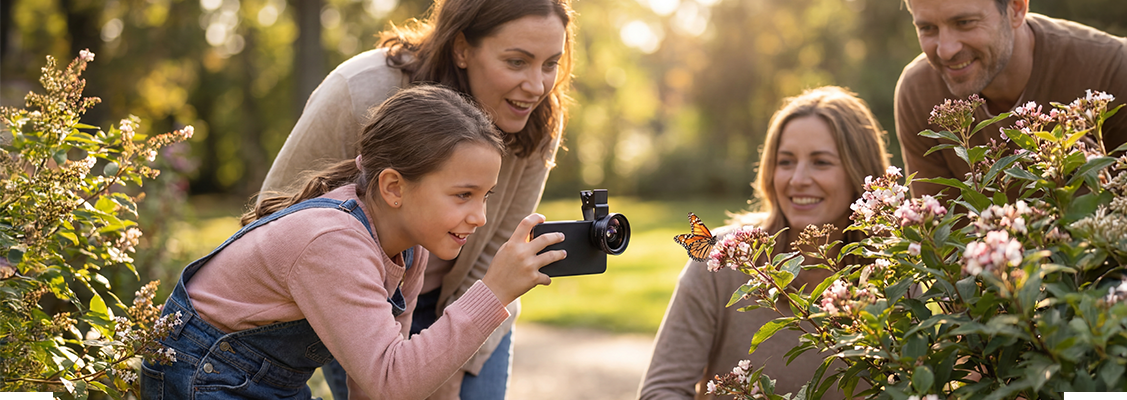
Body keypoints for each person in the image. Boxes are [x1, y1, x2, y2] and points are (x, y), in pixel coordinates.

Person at [139, 86, 565, 400]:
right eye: (462, 195)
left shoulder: (408, 246)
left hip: (264, 382)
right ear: (394, 187)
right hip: (203, 378)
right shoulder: (333, 242)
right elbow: (392, 381)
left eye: (484, 196)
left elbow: (375, 384)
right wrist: (493, 293)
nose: (480, 217)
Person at [258, 0, 576, 398]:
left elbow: (495, 250)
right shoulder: (360, 90)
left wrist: (453, 365)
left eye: (551, 64)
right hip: (365, 300)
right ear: (462, 49)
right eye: (516, 62)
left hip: (471, 294)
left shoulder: (538, 116)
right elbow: (275, 215)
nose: (536, 85)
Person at [638, 86, 890, 399]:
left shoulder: (893, 272)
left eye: (821, 162)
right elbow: (662, 390)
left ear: (859, 173)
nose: (797, 179)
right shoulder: (724, 259)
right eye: (785, 162)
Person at [895, 0, 1127, 197]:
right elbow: (941, 242)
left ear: (1016, 8)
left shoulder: (1113, 68)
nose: (946, 50)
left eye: (964, 23)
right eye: (927, 28)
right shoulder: (918, 93)